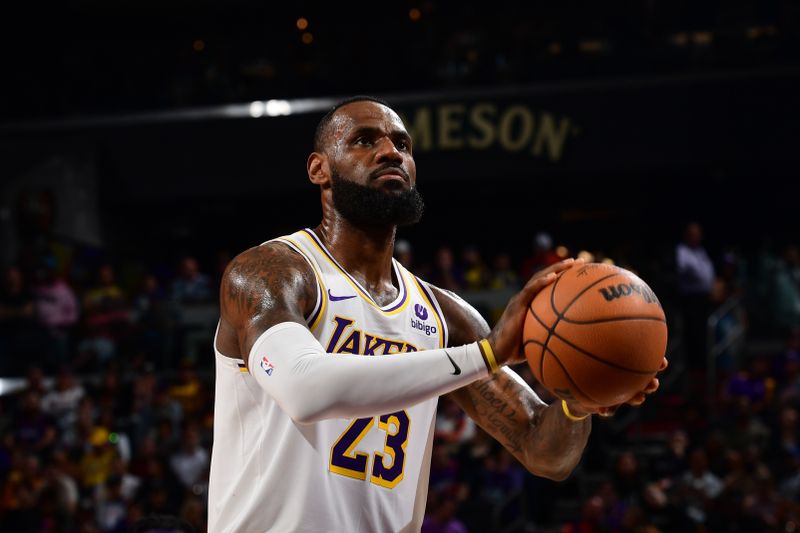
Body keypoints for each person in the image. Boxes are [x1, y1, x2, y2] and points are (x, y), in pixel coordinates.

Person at [207, 96, 666, 532]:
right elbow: (304, 390)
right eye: (365, 140)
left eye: (402, 144)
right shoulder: (271, 272)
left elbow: (543, 450)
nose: (390, 151)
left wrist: (577, 402)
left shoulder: (443, 315)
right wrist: (485, 353)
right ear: (318, 169)